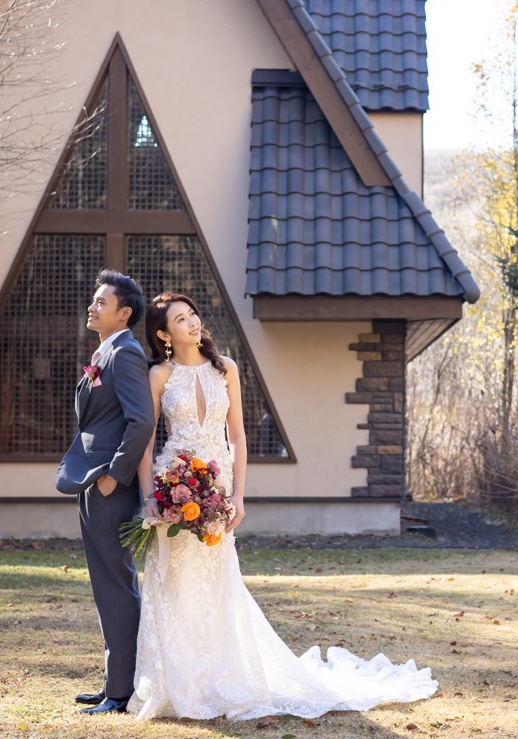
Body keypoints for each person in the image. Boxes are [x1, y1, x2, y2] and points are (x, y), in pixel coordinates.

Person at [128, 292, 437, 720]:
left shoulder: (226, 369)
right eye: (181, 319)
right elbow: (145, 443)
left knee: (217, 583)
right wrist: (150, 500)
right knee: (173, 581)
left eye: (193, 314)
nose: (193, 322)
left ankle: (220, 677)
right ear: (164, 333)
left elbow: (237, 436)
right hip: (173, 489)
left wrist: (237, 494)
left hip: (214, 489)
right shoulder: (159, 374)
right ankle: (177, 684)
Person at [55, 270, 156, 715]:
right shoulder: (107, 350)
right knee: (106, 584)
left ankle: (122, 692)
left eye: (101, 301)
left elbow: (142, 420)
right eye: (93, 300)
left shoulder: (127, 354)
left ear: (124, 312)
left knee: (116, 585)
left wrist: (115, 474)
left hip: (110, 485)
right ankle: (114, 681)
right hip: (91, 480)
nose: (92, 306)